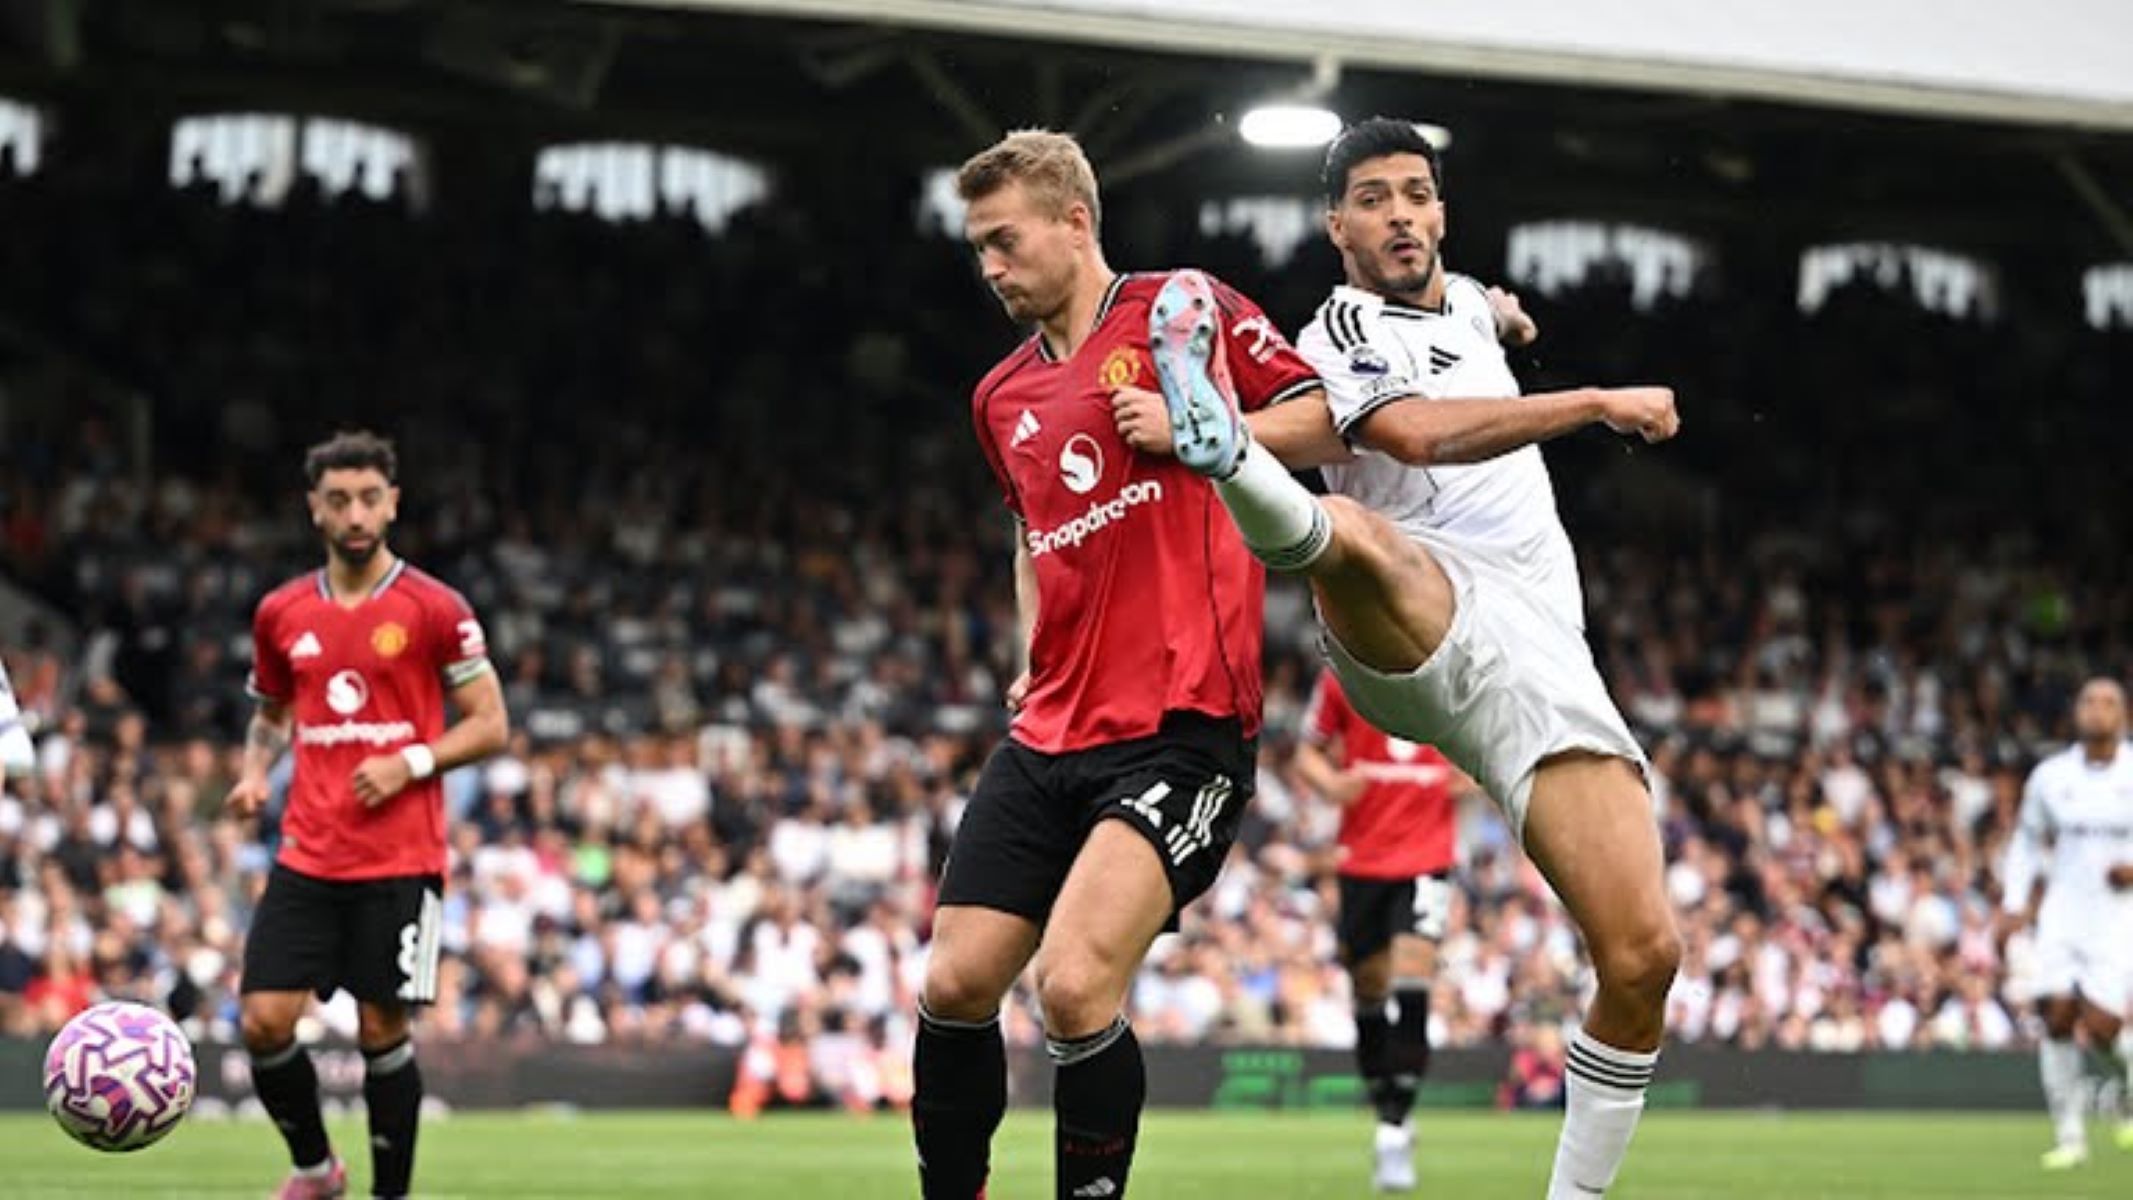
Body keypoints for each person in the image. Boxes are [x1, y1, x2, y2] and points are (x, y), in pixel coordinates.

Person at [1121, 117, 1682, 1199]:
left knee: (1643, 952)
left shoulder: (1465, 299)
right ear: (1336, 226)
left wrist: (1508, 317)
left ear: (1441, 211)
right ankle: (1225, 452)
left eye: (1414, 194)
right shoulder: (1339, 332)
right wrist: (1597, 400)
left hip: (1538, 654)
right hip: (1411, 622)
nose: (1399, 215)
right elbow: (1414, 436)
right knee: (1368, 533)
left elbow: (1483, 316)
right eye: (1371, 199)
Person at [914, 128, 1325, 1200]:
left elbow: (1331, 418)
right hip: (1051, 728)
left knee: (1074, 981)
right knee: (954, 981)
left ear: (1074, 220)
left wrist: (1209, 426)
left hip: (1182, 729)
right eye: (978, 252)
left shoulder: (1184, 311)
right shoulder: (1000, 397)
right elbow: (1028, 532)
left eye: (1005, 242)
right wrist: (1026, 651)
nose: (990, 268)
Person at [233, 431, 509, 1200]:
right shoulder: (282, 612)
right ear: (314, 510)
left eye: (368, 498)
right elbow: (271, 710)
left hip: (401, 859)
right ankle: (317, 1170)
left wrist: (411, 762)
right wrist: (256, 771)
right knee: (262, 1020)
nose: (355, 513)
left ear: (392, 503)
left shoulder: (434, 608)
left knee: (383, 1030)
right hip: (307, 853)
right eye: (338, 500)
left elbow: (491, 722)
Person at [1294, 668, 1466, 1191]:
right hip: (1362, 859)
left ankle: (1392, 1131)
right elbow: (1307, 753)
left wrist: (1476, 774)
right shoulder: (1338, 677)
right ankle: (1389, 1112)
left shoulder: (1445, 670)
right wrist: (1331, 783)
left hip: (1426, 855)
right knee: (1368, 989)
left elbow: (1491, 734)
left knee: (1414, 975)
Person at [1997, 677, 2133, 1169]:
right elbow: (2027, 841)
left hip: (2118, 918)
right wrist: (2014, 903)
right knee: (2055, 1015)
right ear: (2076, 711)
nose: (2098, 709)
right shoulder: (2052, 776)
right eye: (2089, 701)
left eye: (2109, 702)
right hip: (2062, 911)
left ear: (2124, 715)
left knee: (2101, 1027)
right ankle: (2070, 1139)